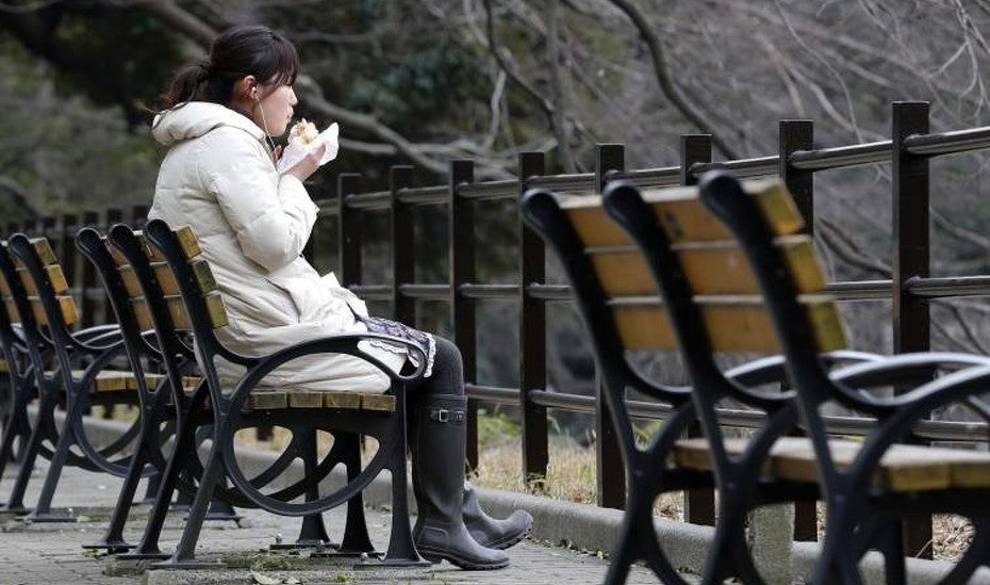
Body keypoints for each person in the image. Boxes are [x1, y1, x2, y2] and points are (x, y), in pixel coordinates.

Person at [147, 24, 531, 570]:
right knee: (440, 358)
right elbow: (276, 246)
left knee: (423, 353)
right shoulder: (229, 145)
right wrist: (297, 178)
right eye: (288, 85)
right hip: (266, 349)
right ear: (252, 88)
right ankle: (445, 521)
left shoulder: (197, 145)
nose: (296, 98)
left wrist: (282, 173)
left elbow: (252, 243)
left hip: (241, 337)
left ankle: (457, 510)